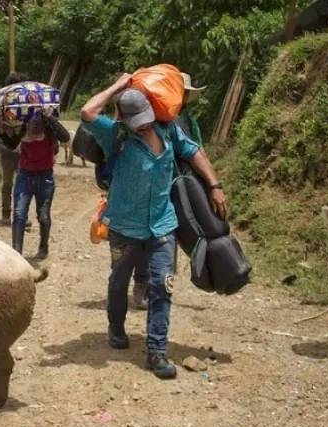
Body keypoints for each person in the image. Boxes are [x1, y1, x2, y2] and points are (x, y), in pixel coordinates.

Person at [80, 74, 226, 379]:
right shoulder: (115, 135)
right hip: (124, 227)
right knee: (119, 282)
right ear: (122, 118)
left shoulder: (169, 130)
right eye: (137, 121)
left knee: (162, 286)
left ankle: (156, 353)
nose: (144, 126)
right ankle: (116, 326)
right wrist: (118, 87)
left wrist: (214, 184)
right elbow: (87, 113)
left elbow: (195, 152)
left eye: (147, 118)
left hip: (162, 225)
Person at [131, 72, 207, 310]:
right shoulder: (150, 120)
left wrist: (209, 184)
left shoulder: (187, 121)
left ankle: (161, 282)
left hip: (179, 186)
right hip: (150, 187)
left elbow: (197, 151)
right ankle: (142, 283)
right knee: (146, 236)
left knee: (169, 234)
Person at [0, 108, 70, 259]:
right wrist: (2, 130)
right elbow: (11, 145)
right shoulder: (23, 128)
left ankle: (43, 248)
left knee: (43, 216)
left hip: (45, 178)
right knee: (19, 214)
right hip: (25, 176)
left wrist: (50, 118)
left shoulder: (50, 130)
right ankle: (16, 253)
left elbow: (65, 137)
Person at [0, 71, 33, 229]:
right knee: (8, 182)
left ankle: (21, 214)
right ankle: (6, 213)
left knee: (22, 182)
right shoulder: (0, 101)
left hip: (22, 147)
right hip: (8, 147)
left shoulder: (26, 100)